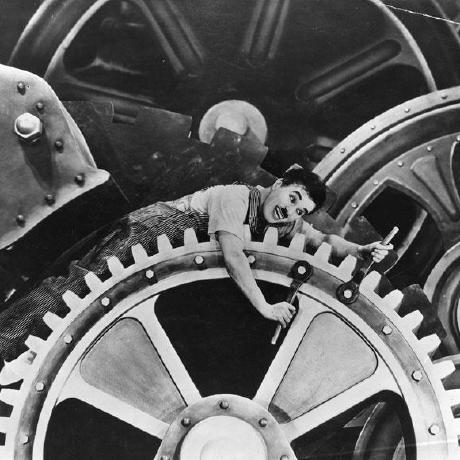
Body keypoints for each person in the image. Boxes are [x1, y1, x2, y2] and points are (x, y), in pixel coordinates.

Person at [0, 164, 392, 371]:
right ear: (279, 184)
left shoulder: (282, 219)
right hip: (150, 232)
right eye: (292, 198)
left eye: (299, 210)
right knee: (74, 291)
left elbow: (324, 241)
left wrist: (361, 250)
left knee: (84, 310)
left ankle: (23, 360)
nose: (289, 211)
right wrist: (263, 306)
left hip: (164, 253)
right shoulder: (236, 198)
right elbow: (232, 254)